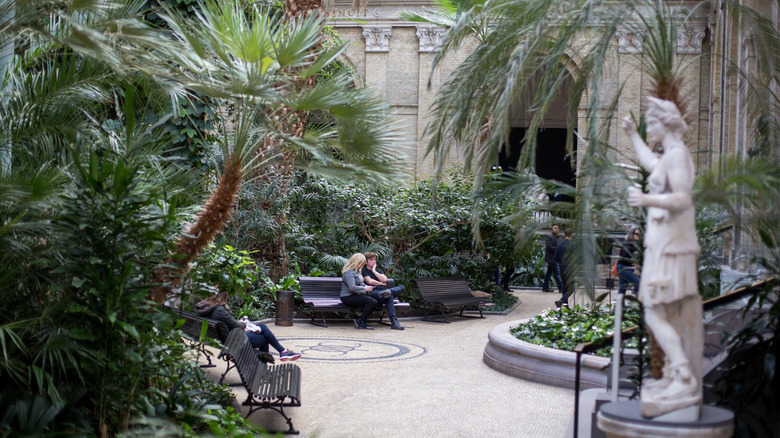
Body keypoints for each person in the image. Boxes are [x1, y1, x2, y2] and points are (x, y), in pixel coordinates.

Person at [622, 97, 703, 418]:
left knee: (655, 312)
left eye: (651, 123)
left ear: (666, 123)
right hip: (663, 244)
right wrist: (632, 135)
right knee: (664, 312)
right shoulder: (670, 155)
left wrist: (645, 199)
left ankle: (682, 374)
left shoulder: (678, 155)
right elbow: (651, 165)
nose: (649, 127)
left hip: (671, 247)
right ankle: (674, 374)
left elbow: (683, 198)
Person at [195, 292, 301, 361]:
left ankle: (282, 352)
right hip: (232, 342)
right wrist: (244, 323)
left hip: (223, 339)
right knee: (264, 337)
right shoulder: (219, 310)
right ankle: (275, 359)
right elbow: (236, 325)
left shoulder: (206, 308)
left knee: (263, 329)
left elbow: (230, 323)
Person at [362, 252, 405, 330]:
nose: (374, 261)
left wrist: (374, 271)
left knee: (401, 287)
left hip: (383, 292)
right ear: (366, 262)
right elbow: (370, 281)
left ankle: (388, 292)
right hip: (373, 292)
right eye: (371, 260)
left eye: (374, 260)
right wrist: (380, 283)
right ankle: (394, 322)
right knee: (389, 296)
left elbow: (384, 279)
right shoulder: (364, 271)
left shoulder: (378, 271)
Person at [617, 226, 641, 295]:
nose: (638, 236)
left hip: (626, 268)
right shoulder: (627, 244)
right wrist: (635, 264)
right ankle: (634, 300)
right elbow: (625, 257)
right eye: (636, 234)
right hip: (624, 268)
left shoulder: (633, 244)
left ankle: (619, 302)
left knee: (622, 290)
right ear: (632, 234)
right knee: (639, 284)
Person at [554, 228, 574, 308]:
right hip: (570, 268)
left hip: (562, 268)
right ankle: (561, 301)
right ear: (571, 235)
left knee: (565, 287)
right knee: (572, 287)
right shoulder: (572, 245)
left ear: (564, 235)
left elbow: (555, 257)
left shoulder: (559, 245)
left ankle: (565, 306)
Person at [542, 225, 563, 293]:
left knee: (549, 273)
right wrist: (557, 248)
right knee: (557, 273)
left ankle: (545, 287)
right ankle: (561, 288)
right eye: (555, 228)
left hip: (554, 258)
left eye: (557, 228)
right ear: (552, 229)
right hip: (552, 259)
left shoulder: (557, 238)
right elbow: (548, 247)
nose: (556, 229)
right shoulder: (550, 237)